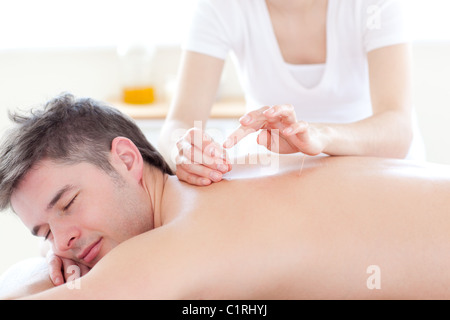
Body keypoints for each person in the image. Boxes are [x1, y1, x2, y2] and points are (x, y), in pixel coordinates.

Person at [1, 94, 450, 300]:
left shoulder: (184, 238)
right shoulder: (235, 174)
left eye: (67, 205)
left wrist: (46, 271)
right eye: (44, 232)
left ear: (126, 159)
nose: (62, 242)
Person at [158, 0, 426, 187]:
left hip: (377, 169)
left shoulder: (375, 5)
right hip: (278, 179)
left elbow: (398, 128)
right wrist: (183, 150)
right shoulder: (220, 7)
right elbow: (178, 123)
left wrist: (322, 135)